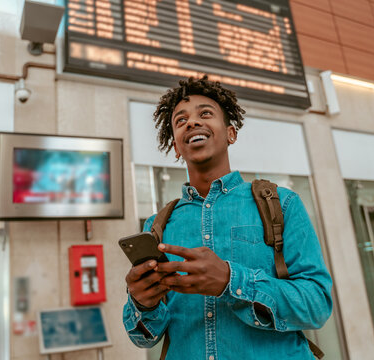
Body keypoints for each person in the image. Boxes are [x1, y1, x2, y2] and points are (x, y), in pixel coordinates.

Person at [123, 76, 332, 359]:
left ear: (231, 133)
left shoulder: (281, 204)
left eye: (205, 114)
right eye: (180, 120)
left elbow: (317, 305)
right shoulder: (158, 225)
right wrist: (142, 304)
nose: (193, 122)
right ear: (175, 147)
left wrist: (232, 281)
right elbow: (145, 338)